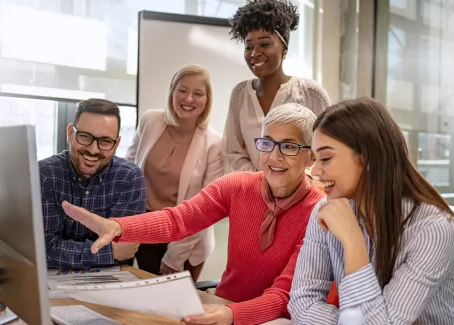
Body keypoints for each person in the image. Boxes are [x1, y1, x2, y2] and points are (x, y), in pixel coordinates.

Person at [60, 103, 325, 325]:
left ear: (311, 157)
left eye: (289, 147)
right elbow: (179, 220)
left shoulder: (319, 211)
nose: (274, 156)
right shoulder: (238, 185)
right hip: (221, 308)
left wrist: (231, 314)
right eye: (267, 143)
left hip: (272, 320)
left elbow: (282, 295)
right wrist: (118, 227)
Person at [288, 97, 454, 325]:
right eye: (315, 158)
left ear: (369, 158)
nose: (316, 171)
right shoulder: (327, 211)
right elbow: (302, 303)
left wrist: (353, 241)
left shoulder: (433, 228)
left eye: (326, 158)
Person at [125, 64, 223, 280]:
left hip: (186, 238)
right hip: (146, 227)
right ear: (172, 91)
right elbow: (127, 170)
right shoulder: (151, 120)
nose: (189, 99)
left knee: (176, 309)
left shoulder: (214, 143)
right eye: (182, 90)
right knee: (144, 302)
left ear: (207, 100)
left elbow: (205, 208)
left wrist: (175, 256)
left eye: (198, 93)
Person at [222, 0, 331, 173]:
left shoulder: (311, 93)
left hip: (302, 195)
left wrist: (289, 184)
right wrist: (261, 183)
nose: (255, 53)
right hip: (251, 194)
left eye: (264, 44)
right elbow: (232, 152)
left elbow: (325, 151)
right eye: (248, 46)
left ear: (284, 50)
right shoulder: (240, 94)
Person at [39, 98, 146, 270]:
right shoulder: (44, 175)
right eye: (85, 136)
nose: (93, 150)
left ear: (116, 144)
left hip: (107, 284)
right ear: (70, 134)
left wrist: (68, 251)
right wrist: (109, 252)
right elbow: (44, 250)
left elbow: (125, 250)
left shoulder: (129, 178)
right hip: (50, 284)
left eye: (105, 141)